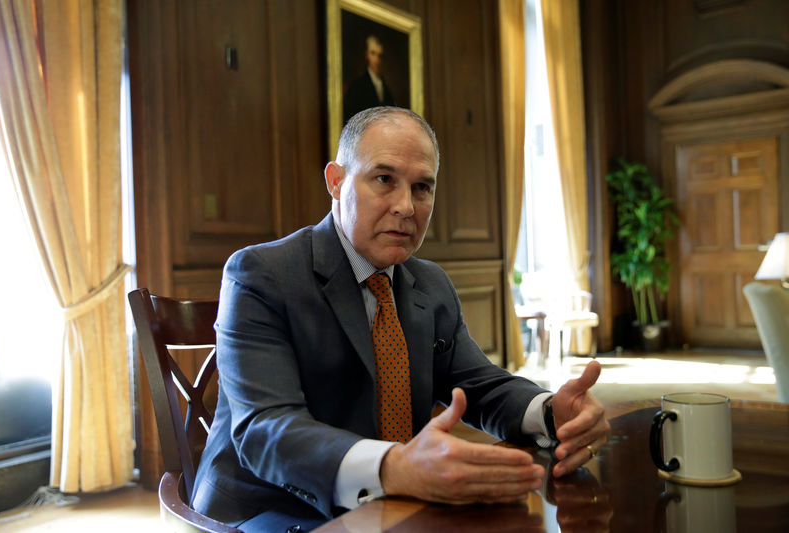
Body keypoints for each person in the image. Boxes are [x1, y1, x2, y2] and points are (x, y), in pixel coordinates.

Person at [192, 107, 610, 532]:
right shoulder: (262, 275)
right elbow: (265, 428)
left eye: (422, 187)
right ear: (336, 182)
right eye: (384, 179)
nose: (406, 207)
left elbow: (482, 386)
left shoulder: (430, 284)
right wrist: (393, 467)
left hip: (391, 511)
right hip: (266, 511)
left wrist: (550, 412)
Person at [343, 35, 395, 124]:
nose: (377, 60)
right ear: (367, 55)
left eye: (380, 55)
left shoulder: (386, 89)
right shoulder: (357, 86)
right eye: (373, 54)